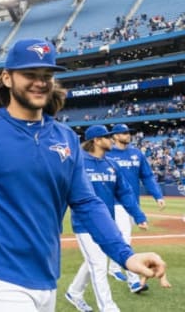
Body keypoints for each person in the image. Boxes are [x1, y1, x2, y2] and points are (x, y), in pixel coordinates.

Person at [0, 38, 169, 312]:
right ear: (7, 78)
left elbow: (86, 203)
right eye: (30, 74)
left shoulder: (66, 137)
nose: (40, 82)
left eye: (46, 75)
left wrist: (126, 256)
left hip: (47, 273)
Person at [65, 125, 154, 312]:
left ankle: (74, 292)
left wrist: (139, 216)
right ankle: (109, 308)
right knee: (98, 264)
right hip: (84, 224)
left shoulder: (111, 164)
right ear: (96, 140)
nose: (111, 139)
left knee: (93, 261)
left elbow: (126, 193)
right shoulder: (78, 163)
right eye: (106, 137)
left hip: (106, 224)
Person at [107, 123, 166, 293]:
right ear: (115, 136)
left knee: (122, 237)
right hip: (115, 203)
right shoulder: (108, 153)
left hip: (133, 204)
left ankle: (113, 268)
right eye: (124, 133)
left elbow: (147, 176)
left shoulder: (136, 154)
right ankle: (134, 281)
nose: (128, 135)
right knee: (125, 239)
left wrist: (158, 196)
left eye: (129, 132)